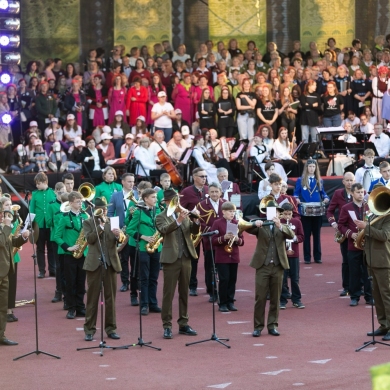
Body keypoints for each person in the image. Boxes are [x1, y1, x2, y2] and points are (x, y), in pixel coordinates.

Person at [155, 189, 200, 339]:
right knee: (168, 293)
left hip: (186, 257)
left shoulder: (185, 214)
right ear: (167, 202)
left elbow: (192, 232)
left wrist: (196, 220)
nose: (178, 203)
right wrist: (178, 220)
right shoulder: (160, 217)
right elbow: (164, 230)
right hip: (170, 258)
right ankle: (167, 325)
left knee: (184, 292)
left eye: (178, 200)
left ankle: (183, 323)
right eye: (175, 200)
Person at [247, 199, 294, 337]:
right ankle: (258, 326)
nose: (273, 214)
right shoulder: (261, 225)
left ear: (279, 214)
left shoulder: (283, 225)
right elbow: (246, 227)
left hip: (278, 266)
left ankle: (273, 325)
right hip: (262, 265)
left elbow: (291, 235)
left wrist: (280, 225)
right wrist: (254, 223)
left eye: (275, 212)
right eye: (270, 211)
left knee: (275, 297)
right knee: (260, 297)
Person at [83, 197, 122, 341]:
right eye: (102, 208)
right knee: (92, 299)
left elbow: (120, 240)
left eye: (105, 208)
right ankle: (89, 329)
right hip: (94, 264)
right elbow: (90, 239)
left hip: (110, 264)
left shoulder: (113, 221)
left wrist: (119, 236)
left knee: (110, 298)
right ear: (95, 209)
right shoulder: (88, 222)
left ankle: (111, 329)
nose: (105, 210)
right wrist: (99, 226)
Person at [354, 188, 390, 341]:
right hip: (371, 260)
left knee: (387, 295)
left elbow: (384, 236)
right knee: (377, 295)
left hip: (383, 261)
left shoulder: (388, 217)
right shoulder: (373, 214)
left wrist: (366, 228)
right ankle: (383, 324)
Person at [54, 191, 89, 319]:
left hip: (83, 253)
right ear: (71, 203)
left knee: (81, 282)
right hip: (70, 255)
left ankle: (80, 307)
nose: (80, 204)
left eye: (81, 201)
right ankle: (71, 308)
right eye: (78, 202)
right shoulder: (64, 218)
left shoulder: (85, 216)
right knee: (70, 282)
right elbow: (56, 237)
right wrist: (68, 247)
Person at [127, 188, 162, 316]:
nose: (155, 199)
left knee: (154, 277)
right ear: (146, 199)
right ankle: (144, 304)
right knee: (144, 278)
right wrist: (144, 237)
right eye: (153, 197)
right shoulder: (138, 212)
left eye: (156, 197)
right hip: (143, 248)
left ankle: (153, 303)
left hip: (157, 247)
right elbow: (130, 230)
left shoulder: (158, 210)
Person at [338, 183, 372, 307]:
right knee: (354, 271)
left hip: (367, 244)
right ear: (352, 193)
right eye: (358, 192)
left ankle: (369, 296)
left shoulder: (369, 206)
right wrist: (350, 234)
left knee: (368, 272)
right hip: (353, 245)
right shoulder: (346, 208)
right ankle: (354, 296)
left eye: (362, 192)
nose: (360, 194)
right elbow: (341, 225)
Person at [0, 203, 30, 345]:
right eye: (3, 213)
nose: (5, 216)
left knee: (2, 307)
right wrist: (7, 227)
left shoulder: (3, 227)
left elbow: (11, 242)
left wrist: (23, 238)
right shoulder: (4, 227)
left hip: (5, 271)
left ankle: (1, 335)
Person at [293, 159, 329, 264]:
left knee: (317, 235)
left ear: (316, 168)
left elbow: (323, 193)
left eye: (313, 166)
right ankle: (307, 257)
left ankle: (318, 257)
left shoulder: (319, 180)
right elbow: (295, 194)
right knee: (306, 235)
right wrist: (297, 199)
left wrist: (326, 198)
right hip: (305, 211)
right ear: (306, 168)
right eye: (310, 166)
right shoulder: (301, 180)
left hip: (317, 211)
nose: (311, 168)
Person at [180, 168, 209, 296]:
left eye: (205, 176)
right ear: (194, 177)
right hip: (193, 230)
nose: (204, 178)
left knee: (210, 259)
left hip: (208, 230)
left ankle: (211, 287)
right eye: (202, 176)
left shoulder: (209, 190)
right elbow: (180, 210)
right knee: (193, 259)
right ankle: (192, 286)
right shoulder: (186, 192)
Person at [211, 202, 244, 312]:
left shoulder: (237, 223)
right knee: (224, 279)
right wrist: (224, 237)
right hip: (222, 256)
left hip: (234, 255)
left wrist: (237, 240)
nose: (232, 213)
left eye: (233, 211)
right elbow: (213, 240)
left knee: (232, 279)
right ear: (223, 212)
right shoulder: (217, 223)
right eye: (230, 211)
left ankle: (230, 301)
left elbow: (242, 241)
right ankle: (222, 303)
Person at [326, 172, 355, 296]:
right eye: (347, 180)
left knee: (360, 260)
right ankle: (347, 287)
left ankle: (360, 285)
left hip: (357, 231)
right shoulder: (338, 194)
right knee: (346, 260)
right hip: (343, 232)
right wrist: (333, 224)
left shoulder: (360, 192)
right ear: (343, 181)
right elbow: (330, 211)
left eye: (351, 180)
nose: (349, 183)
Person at [107, 173, 137, 292]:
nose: (131, 184)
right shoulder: (115, 195)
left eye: (133, 181)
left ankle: (135, 281)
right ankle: (125, 282)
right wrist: (115, 229)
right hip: (121, 231)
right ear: (123, 182)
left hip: (133, 231)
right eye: (129, 181)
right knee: (124, 259)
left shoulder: (138, 195)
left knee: (135, 258)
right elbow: (110, 213)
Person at [197, 182, 225, 303]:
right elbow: (198, 221)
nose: (214, 194)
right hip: (209, 241)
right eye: (212, 191)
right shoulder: (201, 205)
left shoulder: (226, 204)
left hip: (224, 241)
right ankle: (212, 292)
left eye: (216, 191)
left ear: (220, 192)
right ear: (208, 193)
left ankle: (225, 292)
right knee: (210, 267)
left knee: (223, 268)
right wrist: (211, 230)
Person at [30, 172, 56, 278]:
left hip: (50, 225)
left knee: (51, 248)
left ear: (45, 182)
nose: (36, 186)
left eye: (38, 183)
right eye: (36, 184)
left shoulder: (53, 193)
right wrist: (31, 225)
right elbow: (32, 210)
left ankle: (52, 269)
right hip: (38, 225)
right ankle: (41, 270)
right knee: (40, 248)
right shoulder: (35, 194)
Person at [279, 202, 305, 309]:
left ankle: (296, 299)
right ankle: (282, 300)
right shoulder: (279, 222)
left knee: (295, 278)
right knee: (282, 278)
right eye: (285, 214)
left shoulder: (297, 222)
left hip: (294, 254)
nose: (287, 216)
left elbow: (302, 237)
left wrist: (294, 238)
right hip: (282, 254)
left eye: (289, 214)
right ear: (281, 214)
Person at [47, 182, 67, 304]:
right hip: (56, 239)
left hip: (68, 238)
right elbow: (48, 222)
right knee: (59, 267)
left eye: (63, 192)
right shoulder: (51, 205)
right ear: (55, 192)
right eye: (59, 192)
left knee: (68, 267)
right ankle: (59, 291)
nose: (61, 194)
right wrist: (58, 219)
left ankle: (68, 292)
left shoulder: (69, 204)